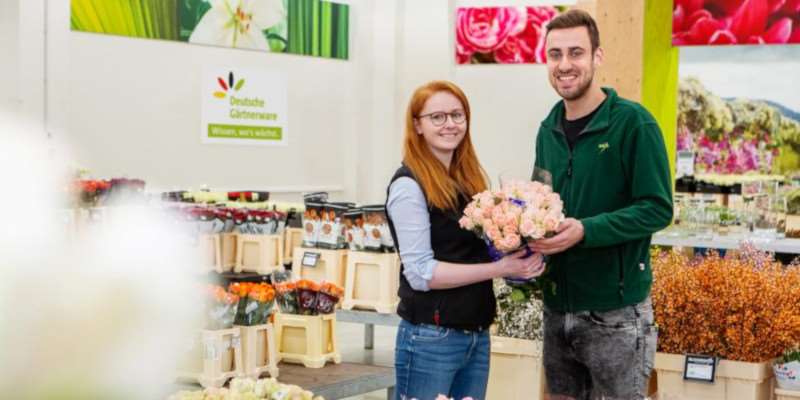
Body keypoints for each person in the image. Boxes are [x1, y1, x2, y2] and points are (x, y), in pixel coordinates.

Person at [528, 9, 673, 400]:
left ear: (597, 56)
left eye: (576, 52)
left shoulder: (633, 124)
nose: (564, 64)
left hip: (615, 313)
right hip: (557, 308)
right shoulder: (547, 129)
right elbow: (541, 201)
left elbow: (657, 207)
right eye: (555, 54)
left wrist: (586, 230)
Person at [386, 80, 545, 400]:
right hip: (432, 337)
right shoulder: (408, 186)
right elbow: (420, 274)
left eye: (457, 115)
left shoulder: (467, 179)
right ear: (417, 125)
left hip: (476, 334)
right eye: (437, 117)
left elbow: (472, 252)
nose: (450, 124)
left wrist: (520, 244)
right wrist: (500, 268)